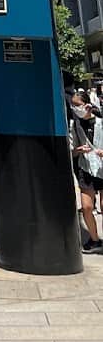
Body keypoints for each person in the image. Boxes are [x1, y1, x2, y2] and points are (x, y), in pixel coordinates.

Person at [71, 90, 103, 252]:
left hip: (101, 167)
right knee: (87, 207)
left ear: (87, 105)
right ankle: (95, 240)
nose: (75, 108)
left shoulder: (100, 122)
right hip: (85, 167)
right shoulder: (74, 125)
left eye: (78, 105)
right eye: (73, 105)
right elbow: (72, 150)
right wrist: (78, 150)